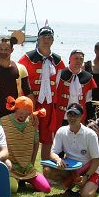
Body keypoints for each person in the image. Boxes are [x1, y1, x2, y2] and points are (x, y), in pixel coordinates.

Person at [17, 25, 64, 160]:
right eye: (44, 37)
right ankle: (27, 169)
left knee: (48, 139)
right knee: (30, 139)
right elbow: (19, 83)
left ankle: (45, 172)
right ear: (38, 39)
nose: (46, 40)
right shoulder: (26, 59)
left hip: (49, 106)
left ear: (53, 41)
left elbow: (60, 86)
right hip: (30, 105)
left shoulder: (59, 62)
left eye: (49, 38)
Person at [43, 103, 99, 197]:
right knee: (47, 171)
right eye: (70, 114)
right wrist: (58, 159)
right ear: (66, 115)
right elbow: (52, 153)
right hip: (70, 169)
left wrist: (86, 176)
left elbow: (96, 159)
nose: (72, 117)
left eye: (76, 115)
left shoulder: (90, 134)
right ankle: (71, 184)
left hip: (89, 170)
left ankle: (86, 185)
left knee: (86, 196)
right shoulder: (61, 131)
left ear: (81, 116)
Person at [0, 96, 50, 193]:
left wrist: (31, 163)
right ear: (15, 109)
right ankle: (13, 179)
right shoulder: (3, 122)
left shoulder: (32, 122)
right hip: (11, 167)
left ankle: (24, 179)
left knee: (46, 188)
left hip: (27, 168)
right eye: (21, 112)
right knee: (12, 188)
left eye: (26, 113)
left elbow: (36, 144)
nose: (23, 115)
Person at [0, 32, 31, 118]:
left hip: (16, 115)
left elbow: (28, 92)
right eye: (1, 49)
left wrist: (30, 112)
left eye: (6, 49)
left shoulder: (21, 69)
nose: (3, 52)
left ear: (12, 50)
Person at [51, 49, 97, 127]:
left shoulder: (88, 77)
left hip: (79, 117)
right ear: (69, 58)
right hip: (61, 115)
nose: (78, 61)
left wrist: (89, 119)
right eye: (76, 58)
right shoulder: (60, 73)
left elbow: (88, 101)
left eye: (81, 59)